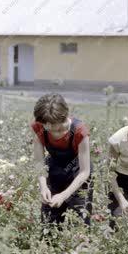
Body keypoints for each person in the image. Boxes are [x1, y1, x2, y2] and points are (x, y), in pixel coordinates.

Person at [31, 93, 92, 225]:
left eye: (53, 126)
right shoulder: (40, 126)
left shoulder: (79, 132)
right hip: (54, 171)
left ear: (63, 118)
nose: (47, 129)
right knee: (49, 222)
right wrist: (43, 186)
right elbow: (39, 162)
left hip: (78, 174)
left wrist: (64, 195)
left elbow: (85, 172)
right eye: (45, 125)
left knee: (79, 223)